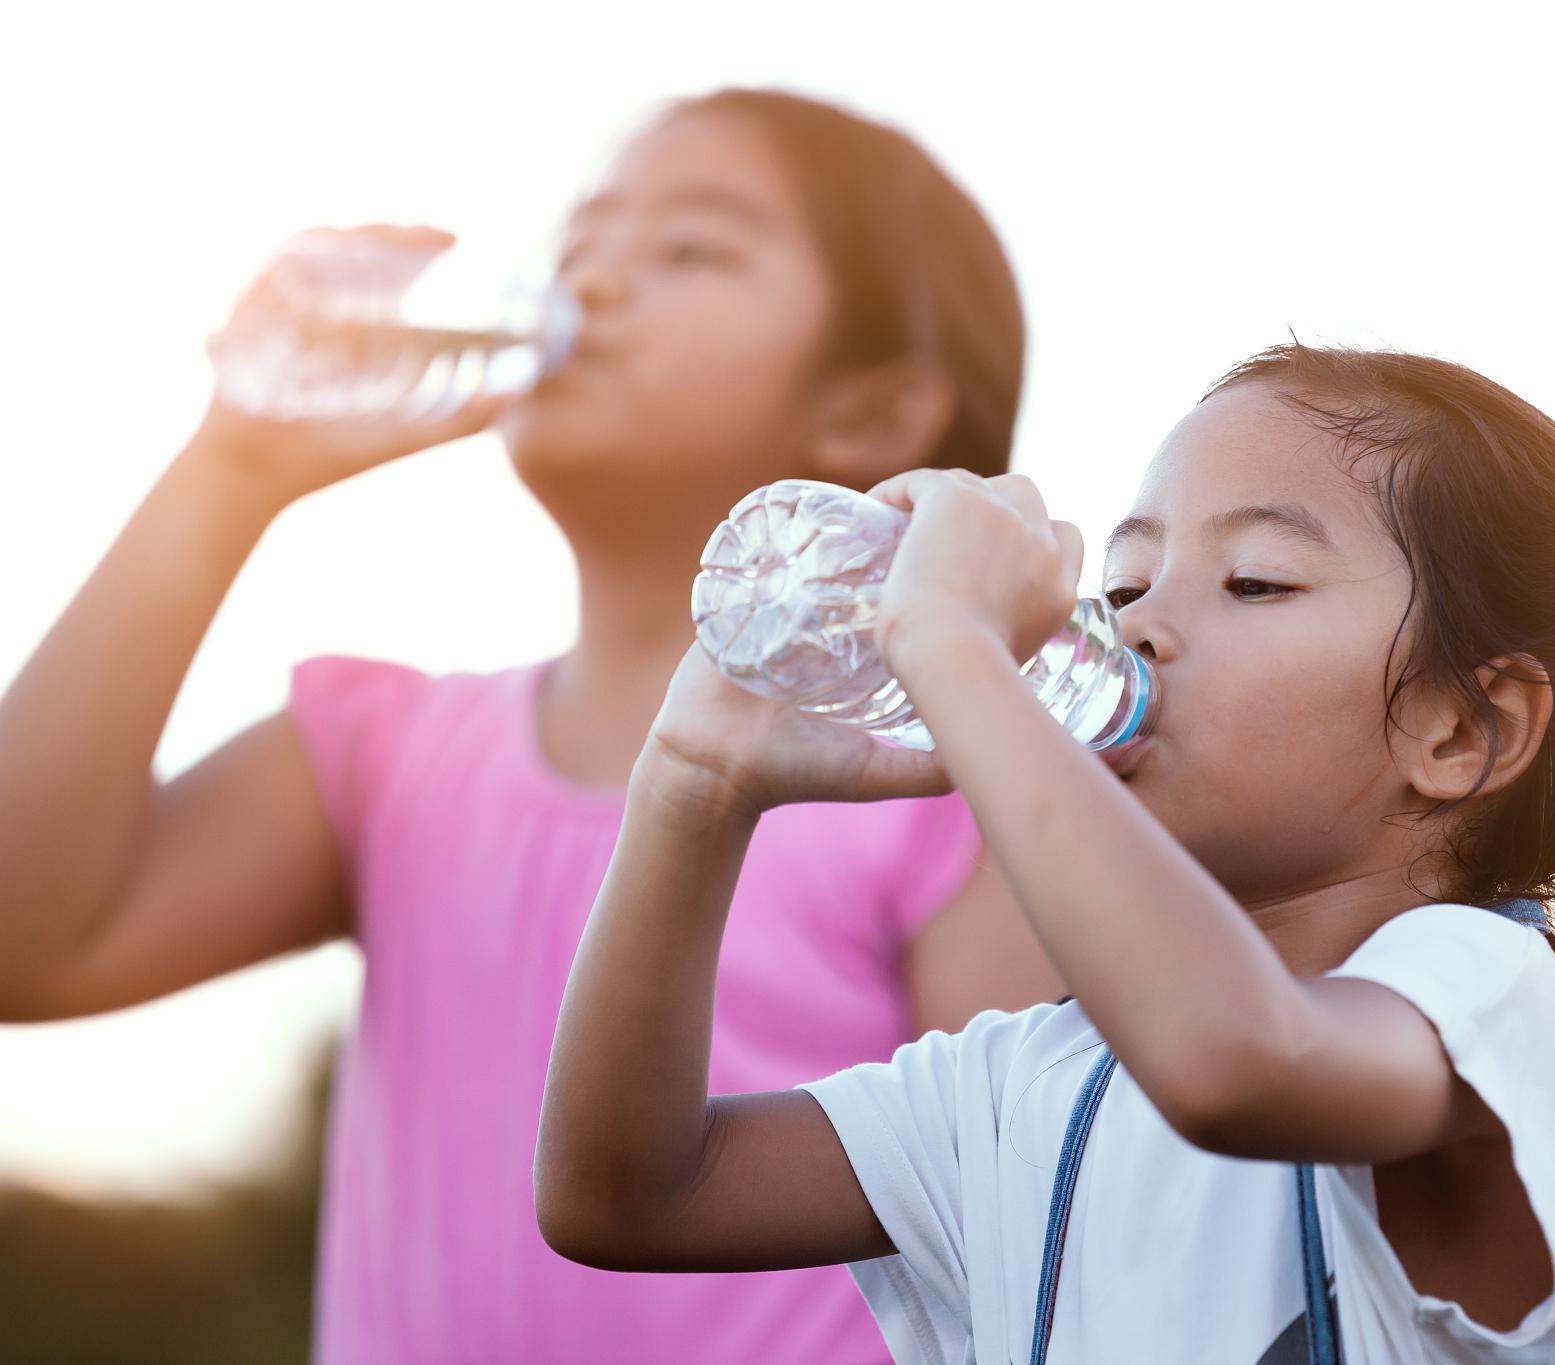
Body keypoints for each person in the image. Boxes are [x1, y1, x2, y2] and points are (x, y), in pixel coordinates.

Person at [0, 89, 1061, 1363]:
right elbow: (31, 938)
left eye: (692, 249)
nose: (594, 285)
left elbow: (1023, 1232)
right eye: (580, 244)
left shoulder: (941, 779)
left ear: (874, 415)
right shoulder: (385, 754)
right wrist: (231, 472)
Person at [536, 344, 1555, 1364]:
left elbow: (1232, 1062)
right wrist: (690, 786)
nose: (1138, 631)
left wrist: (946, 643)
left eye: (1256, 582)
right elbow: (632, 1194)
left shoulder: (1477, 1001)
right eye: (1122, 587)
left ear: (1461, 729)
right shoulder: (1027, 1078)